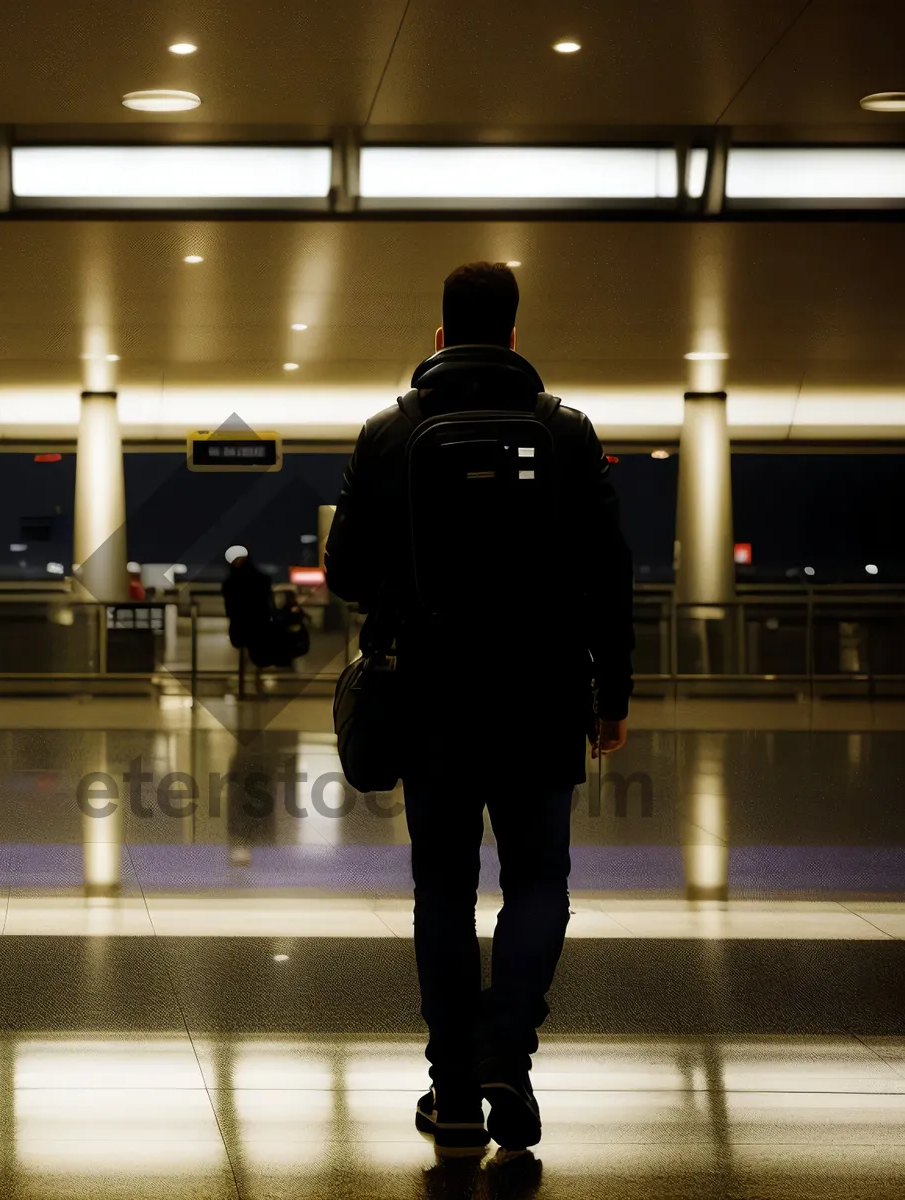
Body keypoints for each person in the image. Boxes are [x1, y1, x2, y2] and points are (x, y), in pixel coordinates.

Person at [324, 262, 634, 1155]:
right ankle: (508, 1060)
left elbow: (345, 572)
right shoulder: (565, 433)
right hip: (541, 691)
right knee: (539, 882)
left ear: (438, 335)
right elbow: (608, 574)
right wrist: (610, 693)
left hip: (433, 693)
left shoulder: (392, 431)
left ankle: (453, 1093)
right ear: (511, 332)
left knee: (444, 891)